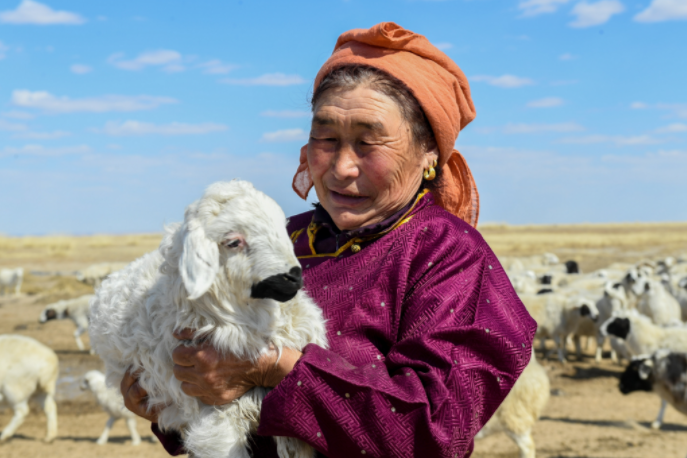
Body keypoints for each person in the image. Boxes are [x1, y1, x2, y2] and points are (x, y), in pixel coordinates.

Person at [120, 22, 536, 458]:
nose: (341, 168)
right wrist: (169, 390)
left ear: (428, 152)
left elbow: (434, 428)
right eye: (326, 138)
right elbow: (213, 370)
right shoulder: (285, 241)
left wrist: (276, 370)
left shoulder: (447, 255)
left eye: (368, 142)